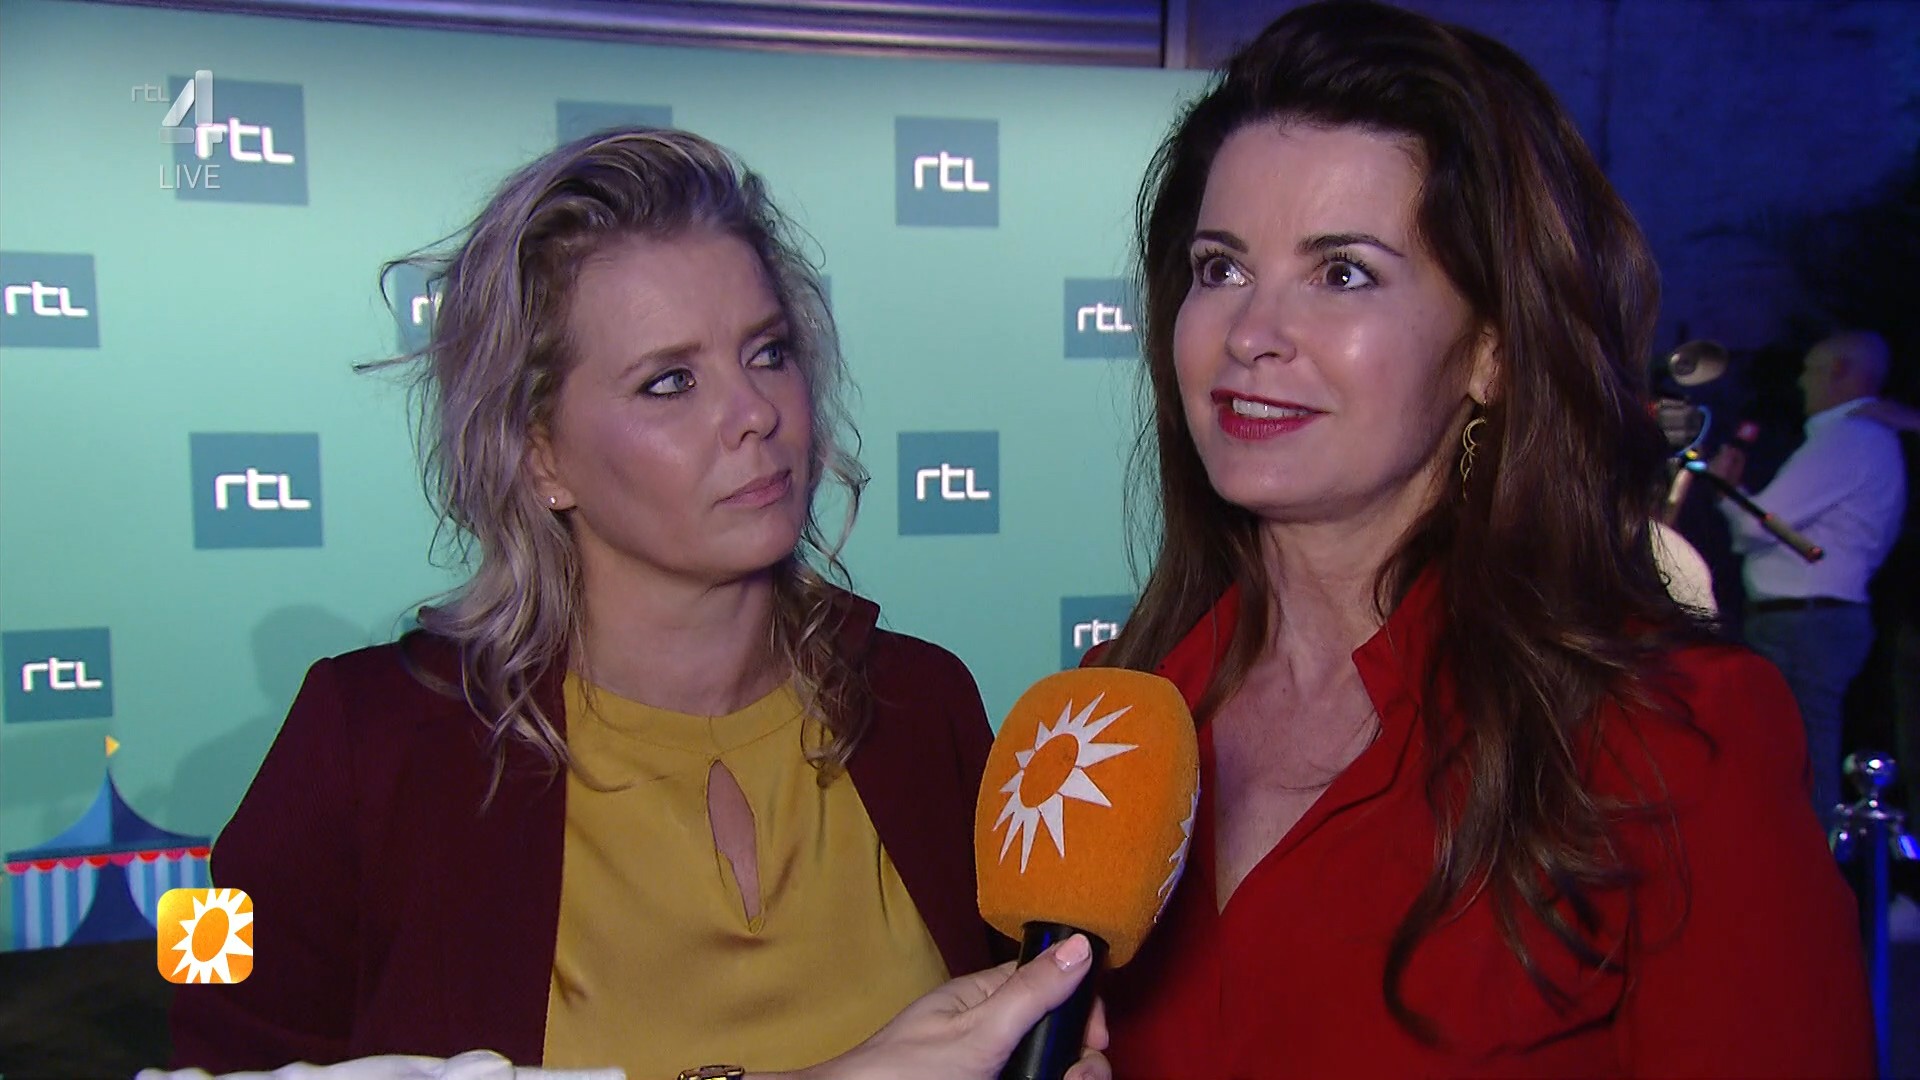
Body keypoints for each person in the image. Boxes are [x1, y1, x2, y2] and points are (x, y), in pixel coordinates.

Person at [169, 128, 1109, 1080]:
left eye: (768, 353)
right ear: (540, 454)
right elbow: (207, 1050)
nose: (756, 414)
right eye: (670, 382)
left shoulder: (923, 704)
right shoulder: (359, 741)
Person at [1084, 1, 1875, 1075]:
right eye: (1220, 267)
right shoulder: (1111, 716)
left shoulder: (1668, 740)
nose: (1252, 334)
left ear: (1492, 351)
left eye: (1342, 273)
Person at [1708, 331, 1906, 821]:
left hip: (1804, 622)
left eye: (1811, 370)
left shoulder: (1848, 439)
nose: (1802, 382)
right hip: (1821, 617)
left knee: (1798, 759)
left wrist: (1726, 491)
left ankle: (1811, 860)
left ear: (1841, 372)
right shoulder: (1868, 439)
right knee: (1801, 752)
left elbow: (1760, 525)